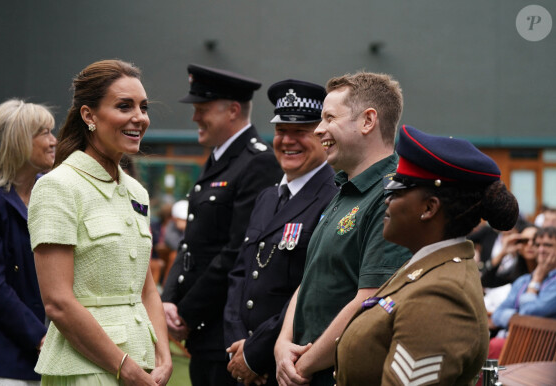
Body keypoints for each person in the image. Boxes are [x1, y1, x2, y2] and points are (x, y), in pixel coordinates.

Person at [334, 125, 520, 385]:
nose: (387, 200)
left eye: (396, 191)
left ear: (429, 208)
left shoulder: (442, 293)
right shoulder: (427, 268)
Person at [28, 59, 172, 385]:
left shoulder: (136, 190)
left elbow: (146, 285)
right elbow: (58, 303)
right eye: (124, 106)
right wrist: (127, 369)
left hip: (142, 363)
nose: (139, 117)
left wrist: (162, 355)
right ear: (89, 116)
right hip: (87, 369)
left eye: (143, 107)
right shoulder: (58, 186)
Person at [274, 70, 411, 385]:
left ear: (367, 121)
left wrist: (303, 365)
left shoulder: (392, 197)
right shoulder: (344, 191)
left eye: (329, 118)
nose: (319, 129)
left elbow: (371, 300)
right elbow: (312, 277)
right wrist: (282, 343)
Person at [161, 64, 282, 386]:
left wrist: (187, 313)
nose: (194, 117)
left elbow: (236, 252)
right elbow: (191, 244)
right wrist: (169, 300)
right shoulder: (219, 159)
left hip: (223, 333)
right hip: (202, 330)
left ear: (232, 110)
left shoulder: (258, 162)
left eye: (202, 109)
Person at [223, 79, 338, 385]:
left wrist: (256, 354)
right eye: (281, 131)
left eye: (300, 132)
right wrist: (237, 347)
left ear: (323, 136)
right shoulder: (268, 197)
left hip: (290, 364)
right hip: (242, 361)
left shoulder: (335, 198)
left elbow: (312, 287)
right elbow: (240, 274)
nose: (288, 141)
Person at [0, 99, 55, 384]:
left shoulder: (51, 196)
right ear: (18, 141)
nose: (53, 141)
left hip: (51, 355)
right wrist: (41, 338)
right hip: (2, 360)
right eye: (44, 133)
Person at [488, 226, 556, 357]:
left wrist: (536, 280)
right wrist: (518, 316)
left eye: (548, 245)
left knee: (494, 346)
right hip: (515, 344)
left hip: (543, 352)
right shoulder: (523, 280)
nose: (541, 250)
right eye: (538, 245)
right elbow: (497, 314)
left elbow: (529, 313)